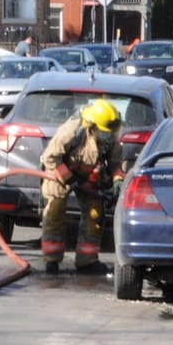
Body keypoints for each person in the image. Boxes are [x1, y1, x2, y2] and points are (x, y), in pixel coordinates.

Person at [40, 98, 125, 275]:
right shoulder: (71, 131)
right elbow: (50, 157)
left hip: (88, 177)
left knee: (95, 214)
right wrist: (69, 179)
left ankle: (87, 261)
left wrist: (117, 181)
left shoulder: (110, 139)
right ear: (92, 127)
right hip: (60, 172)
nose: (109, 135)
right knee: (54, 210)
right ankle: (52, 260)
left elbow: (116, 164)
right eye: (105, 131)